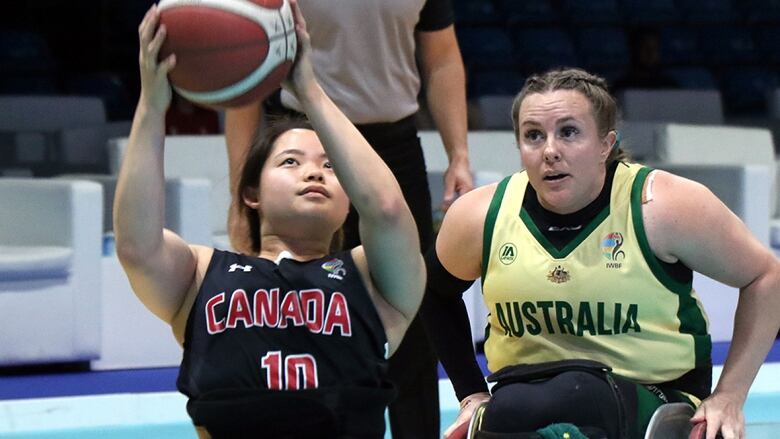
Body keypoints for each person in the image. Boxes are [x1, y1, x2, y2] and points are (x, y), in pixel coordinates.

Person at [114, 3, 425, 437]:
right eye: (291, 161)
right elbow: (135, 246)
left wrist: (309, 89)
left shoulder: (373, 281)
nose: (314, 171)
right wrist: (151, 107)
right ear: (252, 193)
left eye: (330, 166)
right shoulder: (201, 274)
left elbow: (388, 209)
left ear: (349, 201)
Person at [423, 68, 780, 439]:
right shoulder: (481, 214)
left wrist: (730, 395)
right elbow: (432, 291)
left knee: (579, 394)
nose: (550, 151)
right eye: (533, 136)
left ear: (606, 144)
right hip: (521, 403)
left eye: (569, 132)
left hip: (656, 396)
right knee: (513, 408)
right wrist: (469, 393)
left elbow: (765, 276)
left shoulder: (662, 204)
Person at [224, 1, 473, 437]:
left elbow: (443, 58)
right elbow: (245, 77)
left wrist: (459, 154)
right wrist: (240, 192)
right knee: (306, 312)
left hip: (394, 145)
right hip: (306, 139)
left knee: (414, 323)